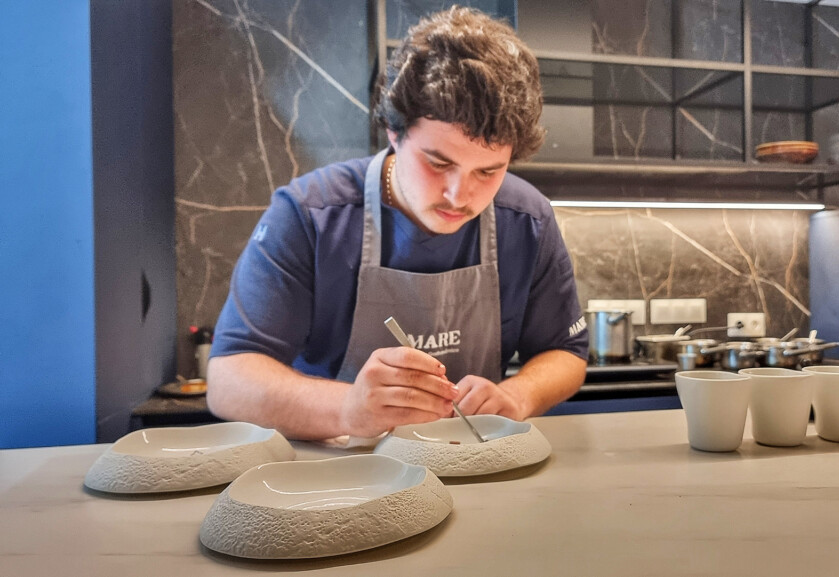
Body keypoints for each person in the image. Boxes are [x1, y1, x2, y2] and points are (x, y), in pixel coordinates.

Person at [206, 7, 589, 441]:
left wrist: (518, 396)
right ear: (394, 130)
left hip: (475, 471)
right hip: (332, 482)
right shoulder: (309, 215)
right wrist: (349, 410)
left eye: (488, 172)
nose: (458, 195)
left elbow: (566, 353)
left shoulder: (528, 220)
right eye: (438, 162)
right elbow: (229, 379)